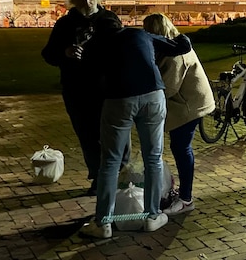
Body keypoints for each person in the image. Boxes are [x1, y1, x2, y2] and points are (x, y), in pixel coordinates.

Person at [78, 17, 193, 239]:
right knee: (153, 158)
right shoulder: (139, 34)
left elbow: (87, 78)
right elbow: (182, 46)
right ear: (120, 24)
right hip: (153, 95)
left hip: (118, 99)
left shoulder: (94, 44)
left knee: (110, 161)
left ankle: (104, 222)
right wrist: (178, 33)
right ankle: (151, 216)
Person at [41, 0, 129, 195]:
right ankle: (98, 177)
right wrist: (66, 52)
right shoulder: (65, 24)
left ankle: (123, 175)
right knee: (88, 136)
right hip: (77, 90)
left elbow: (124, 50)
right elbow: (48, 54)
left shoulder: (109, 19)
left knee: (118, 134)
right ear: (71, 0)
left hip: (109, 89)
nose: (87, 1)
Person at [143, 13, 215, 215]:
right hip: (187, 103)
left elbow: (168, 88)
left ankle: (186, 198)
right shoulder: (173, 46)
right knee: (180, 147)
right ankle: (183, 194)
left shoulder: (175, 54)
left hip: (189, 106)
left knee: (181, 148)